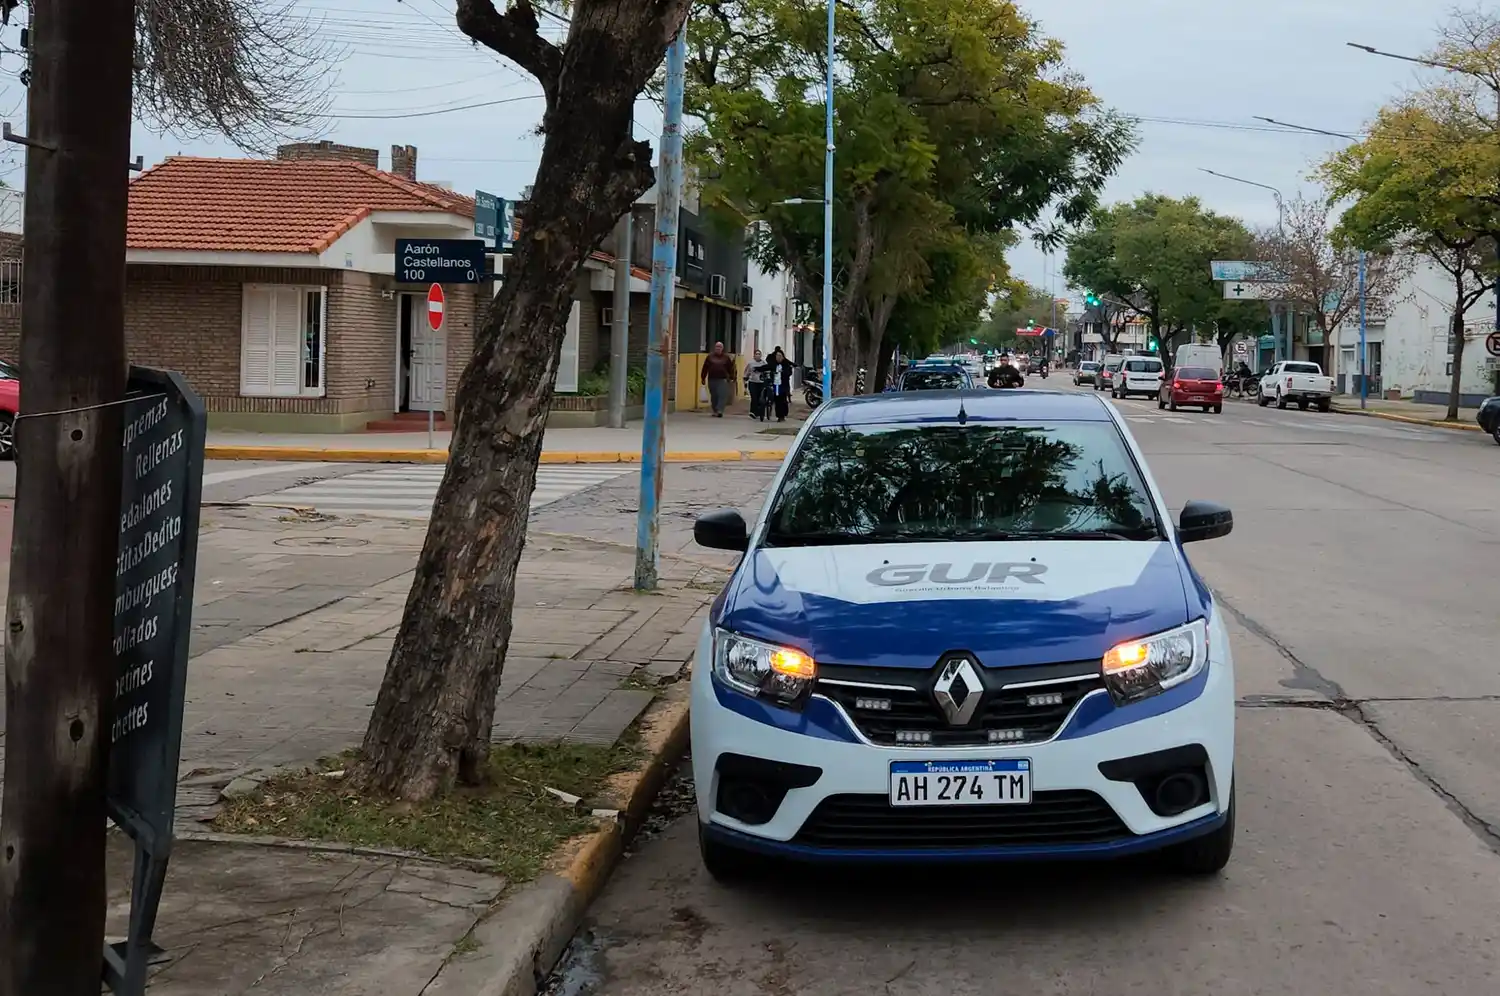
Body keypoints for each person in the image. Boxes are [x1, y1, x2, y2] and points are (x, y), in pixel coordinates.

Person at [760, 346, 797, 422]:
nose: (778, 357)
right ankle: (779, 415)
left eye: (780, 356)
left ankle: (783, 414)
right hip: (776, 384)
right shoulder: (773, 362)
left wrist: (782, 372)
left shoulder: (786, 364)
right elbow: (766, 367)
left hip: (783, 384)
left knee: (783, 400)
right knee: (777, 400)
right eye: (777, 356)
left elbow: (789, 372)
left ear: (782, 357)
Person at [700, 341, 737, 417]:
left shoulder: (726, 358)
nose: (718, 348)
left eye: (720, 347)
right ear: (714, 348)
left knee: (722, 395)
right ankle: (715, 410)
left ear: (722, 348)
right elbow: (705, 368)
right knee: (714, 396)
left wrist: (732, 377)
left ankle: (720, 410)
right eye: (717, 347)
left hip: (723, 379)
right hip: (712, 379)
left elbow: (730, 368)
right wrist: (703, 377)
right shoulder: (710, 357)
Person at [745, 348, 769, 421]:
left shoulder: (764, 363)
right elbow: (747, 372)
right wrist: (745, 378)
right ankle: (752, 412)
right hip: (752, 382)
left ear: (761, 355)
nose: (757, 355)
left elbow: (767, 371)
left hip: (761, 383)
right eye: (756, 354)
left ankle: (759, 412)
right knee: (754, 397)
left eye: (759, 354)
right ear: (754, 355)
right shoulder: (750, 363)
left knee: (760, 398)